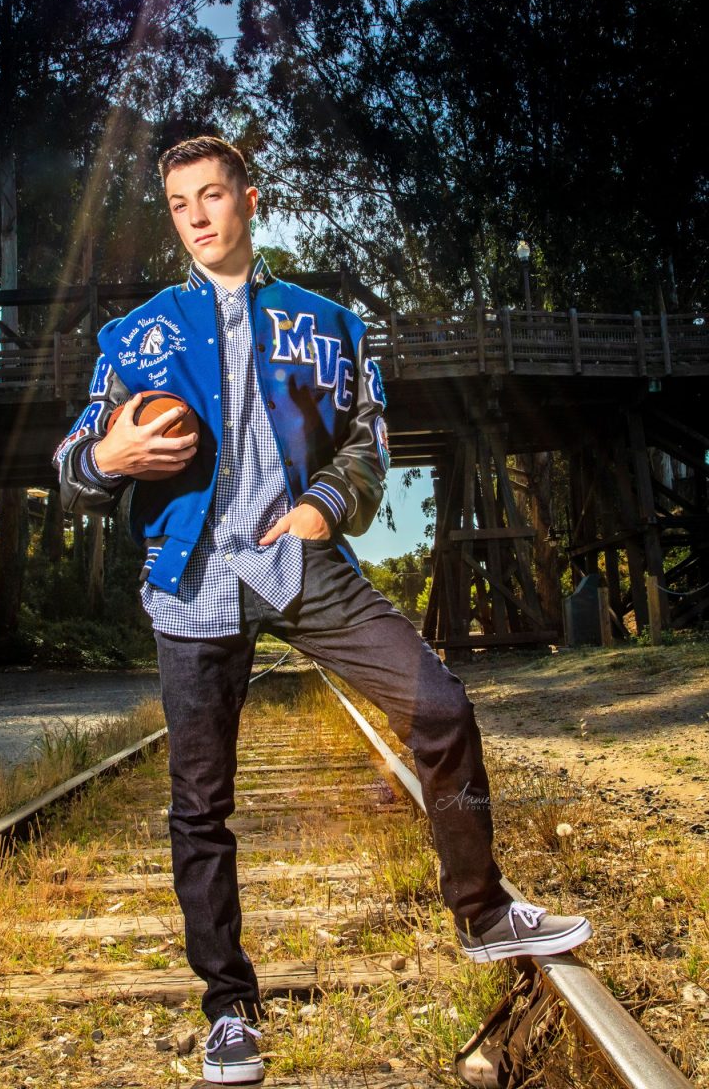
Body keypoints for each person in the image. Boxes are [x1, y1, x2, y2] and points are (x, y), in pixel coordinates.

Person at [53, 135, 592, 1085]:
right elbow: (69, 467)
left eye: (213, 195)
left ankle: (482, 911)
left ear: (248, 201)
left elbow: (369, 442)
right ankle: (229, 1006)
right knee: (200, 806)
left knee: (441, 707)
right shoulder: (136, 337)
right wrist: (110, 460)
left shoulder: (325, 320)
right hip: (192, 578)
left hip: (298, 560)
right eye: (180, 204)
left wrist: (323, 507)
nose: (197, 216)